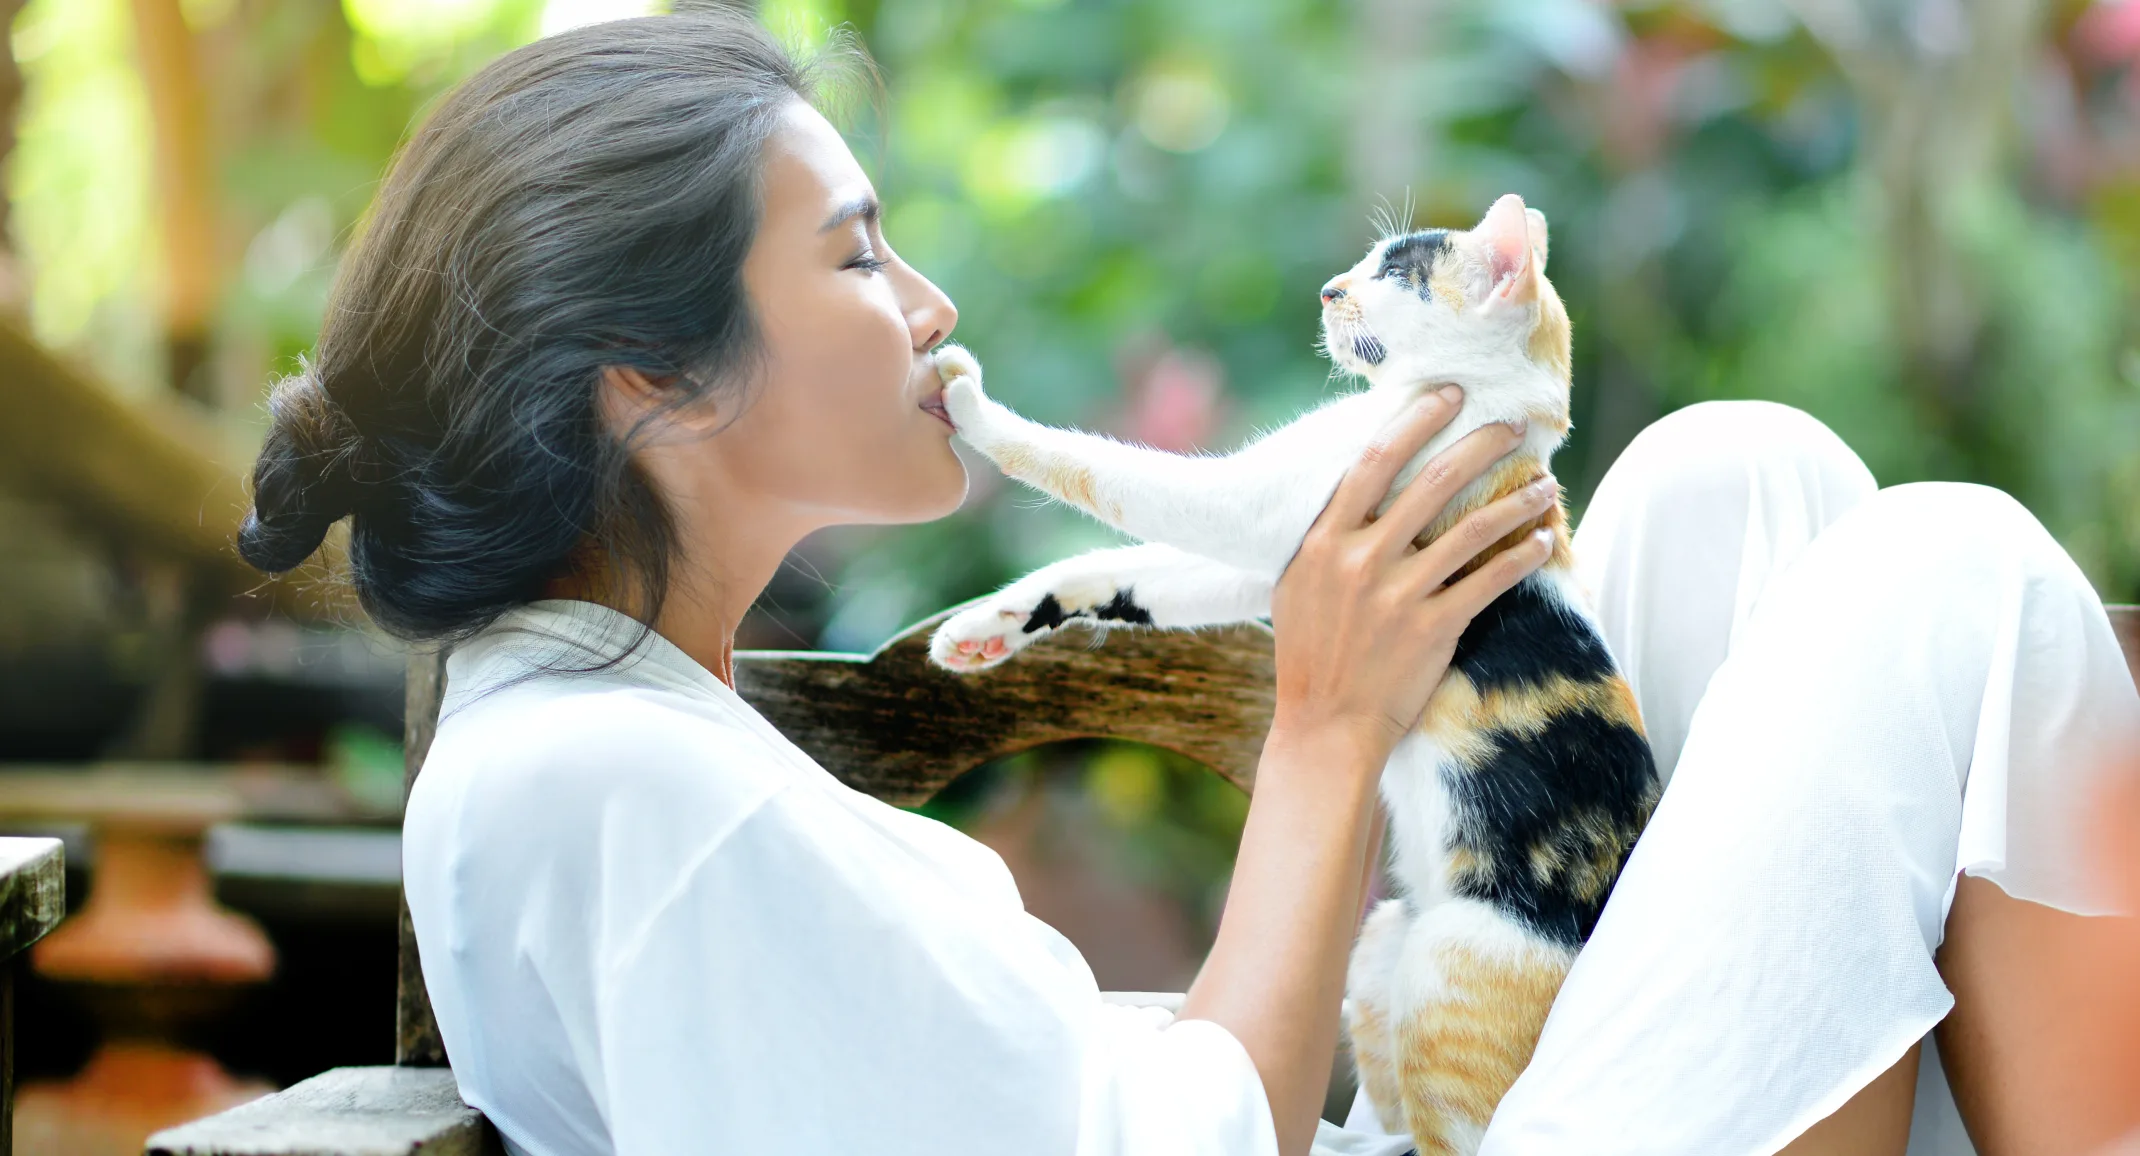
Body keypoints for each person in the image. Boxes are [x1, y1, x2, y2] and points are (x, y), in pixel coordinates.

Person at [232, 11, 2140, 1156]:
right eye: (856, 253)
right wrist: (1325, 726)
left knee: (1745, 482)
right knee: (1941, 568)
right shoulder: (615, 799)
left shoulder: (602, 744)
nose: (929, 307)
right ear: (646, 378)